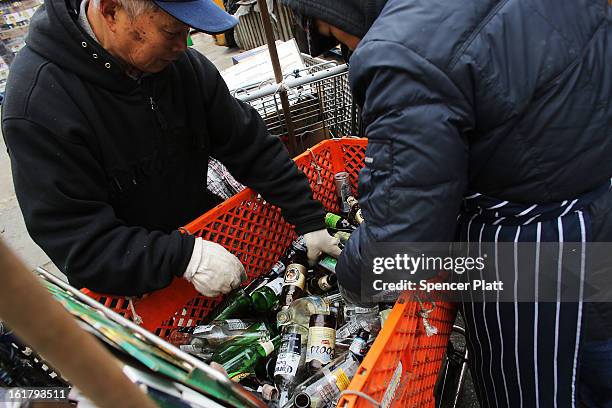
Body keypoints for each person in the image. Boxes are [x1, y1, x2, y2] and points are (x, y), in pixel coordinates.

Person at [281, 0, 612, 406]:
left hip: (537, 248)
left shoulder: (403, 50)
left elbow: (398, 242)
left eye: (333, 36)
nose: (348, 51)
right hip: (592, 200)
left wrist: (352, 280)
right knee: (594, 366)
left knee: (537, 391)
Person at [1, 0, 340, 298]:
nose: (184, 45)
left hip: (203, 246)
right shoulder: (38, 104)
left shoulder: (181, 66)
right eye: (171, 31)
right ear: (111, 10)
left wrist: (308, 217)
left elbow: (249, 144)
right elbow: (80, 243)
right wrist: (184, 257)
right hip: (129, 289)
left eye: (188, 31)